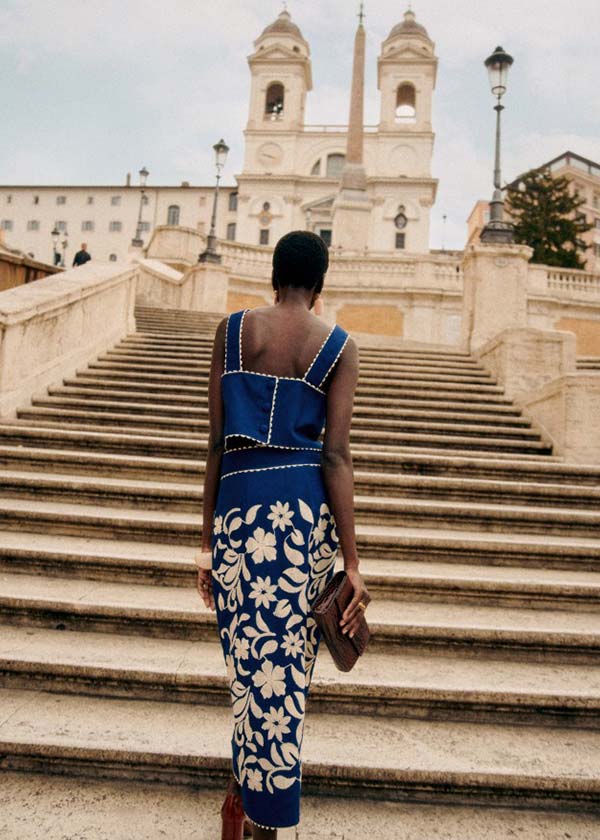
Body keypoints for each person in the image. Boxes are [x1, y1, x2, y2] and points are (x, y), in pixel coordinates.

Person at [196, 230, 370, 840]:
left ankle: (240, 798)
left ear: (273, 274)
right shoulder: (339, 346)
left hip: (240, 515)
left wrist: (204, 544)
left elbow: (216, 442)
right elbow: (337, 457)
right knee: (285, 674)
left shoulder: (231, 331)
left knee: (248, 666)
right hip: (300, 520)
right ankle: (263, 818)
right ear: (320, 286)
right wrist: (352, 562)